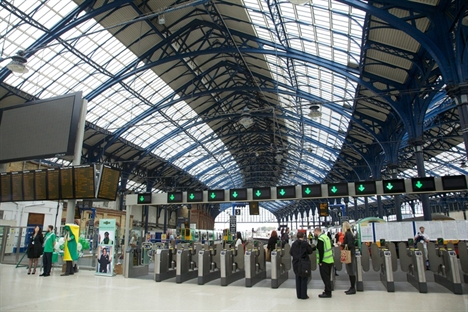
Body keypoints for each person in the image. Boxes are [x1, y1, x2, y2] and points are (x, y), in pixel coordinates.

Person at [290, 231, 313, 300]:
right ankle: (304, 295)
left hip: (296, 263)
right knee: (304, 278)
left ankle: (299, 295)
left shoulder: (294, 244)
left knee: (298, 278)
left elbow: (291, 252)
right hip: (304, 262)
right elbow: (310, 251)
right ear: (303, 236)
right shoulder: (305, 244)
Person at [312, 227, 334, 298]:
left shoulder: (320, 239)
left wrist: (320, 261)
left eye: (314, 232)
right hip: (330, 260)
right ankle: (327, 290)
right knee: (327, 277)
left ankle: (328, 293)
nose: (314, 234)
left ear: (316, 231)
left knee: (325, 277)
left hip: (324, 261)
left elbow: (321, 251)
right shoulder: (326, 237)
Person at [341, 221, 356, 295]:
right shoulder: (350, 233)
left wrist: (342, 244)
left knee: (351, 271)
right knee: (350, 270)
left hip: (349, 254)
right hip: (351, 253)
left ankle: (353, 288)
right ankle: (352, 287)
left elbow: (349, 244)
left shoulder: (348, 233)